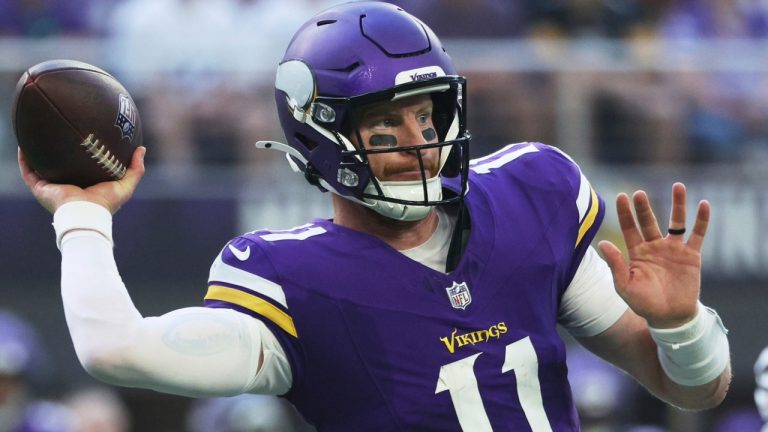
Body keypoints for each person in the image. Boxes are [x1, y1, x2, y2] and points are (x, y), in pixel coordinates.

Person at [17, 2, 731, 430]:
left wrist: (680, 326)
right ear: (318, 139)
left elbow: (697, 389)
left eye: (427, 114)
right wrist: (81, 215)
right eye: (386, 128)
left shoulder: (531, 195)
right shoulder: (288, 278)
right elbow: (116, 350)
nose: (420, 143)